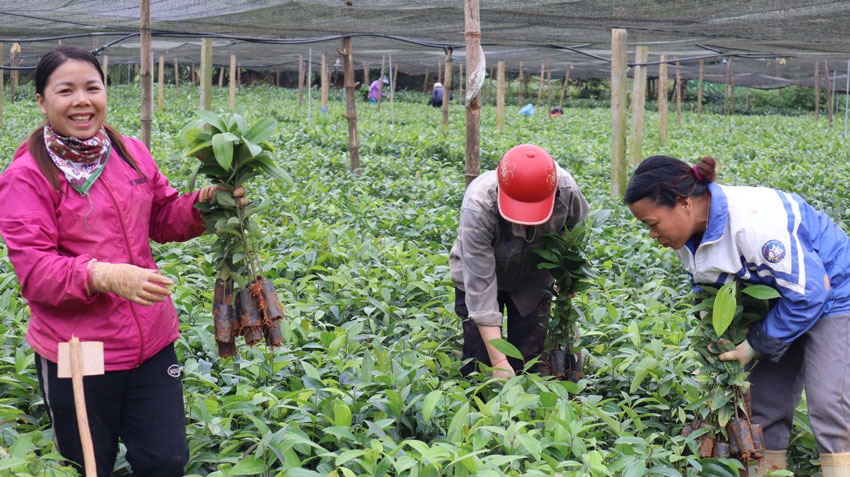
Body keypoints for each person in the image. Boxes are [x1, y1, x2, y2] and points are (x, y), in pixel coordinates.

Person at [0, 46, 244, 476]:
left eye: (92, 87)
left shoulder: (128, 151)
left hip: (151, 339)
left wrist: (206, 205)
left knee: (166, 459)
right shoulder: (26, 176)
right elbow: (37, 273)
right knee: (90, 465)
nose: (82, 100)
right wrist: (104, 274)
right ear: (41, 101)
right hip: (80, 348)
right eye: (66, 90)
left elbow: (163, 217)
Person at [625, 155, 850, 476]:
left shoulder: (754, 224)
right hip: (777, 301)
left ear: (683, 203)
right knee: (763, 404)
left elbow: (810, 293)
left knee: (829, 404)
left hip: (833, 291)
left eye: (652, 224)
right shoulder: (686, 239)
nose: (651, 234)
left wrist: (752, 346)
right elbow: (711, 294)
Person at [449, 144, 589, 379]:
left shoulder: (565, 189)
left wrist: (569, 274)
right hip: (479, 278)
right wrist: (498, 360)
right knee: (480, 364)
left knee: (528, 360)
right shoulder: (479, 203)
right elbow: (480, 285)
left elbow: (576, 228)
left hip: (533, 280)